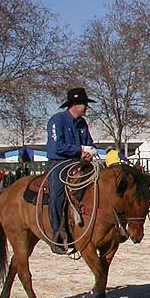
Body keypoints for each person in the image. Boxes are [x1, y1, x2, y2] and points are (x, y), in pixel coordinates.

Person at [46, 87, 97, 254]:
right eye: (84, 104)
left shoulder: (82, 124)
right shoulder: (57, 121)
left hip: (80, 162)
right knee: (57, 194)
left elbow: (89, 143)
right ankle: (57, 234)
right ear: (75, 105)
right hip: (60, 163)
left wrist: (90, 152)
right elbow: (56, 146)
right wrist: (79, 151)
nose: (86, 107)